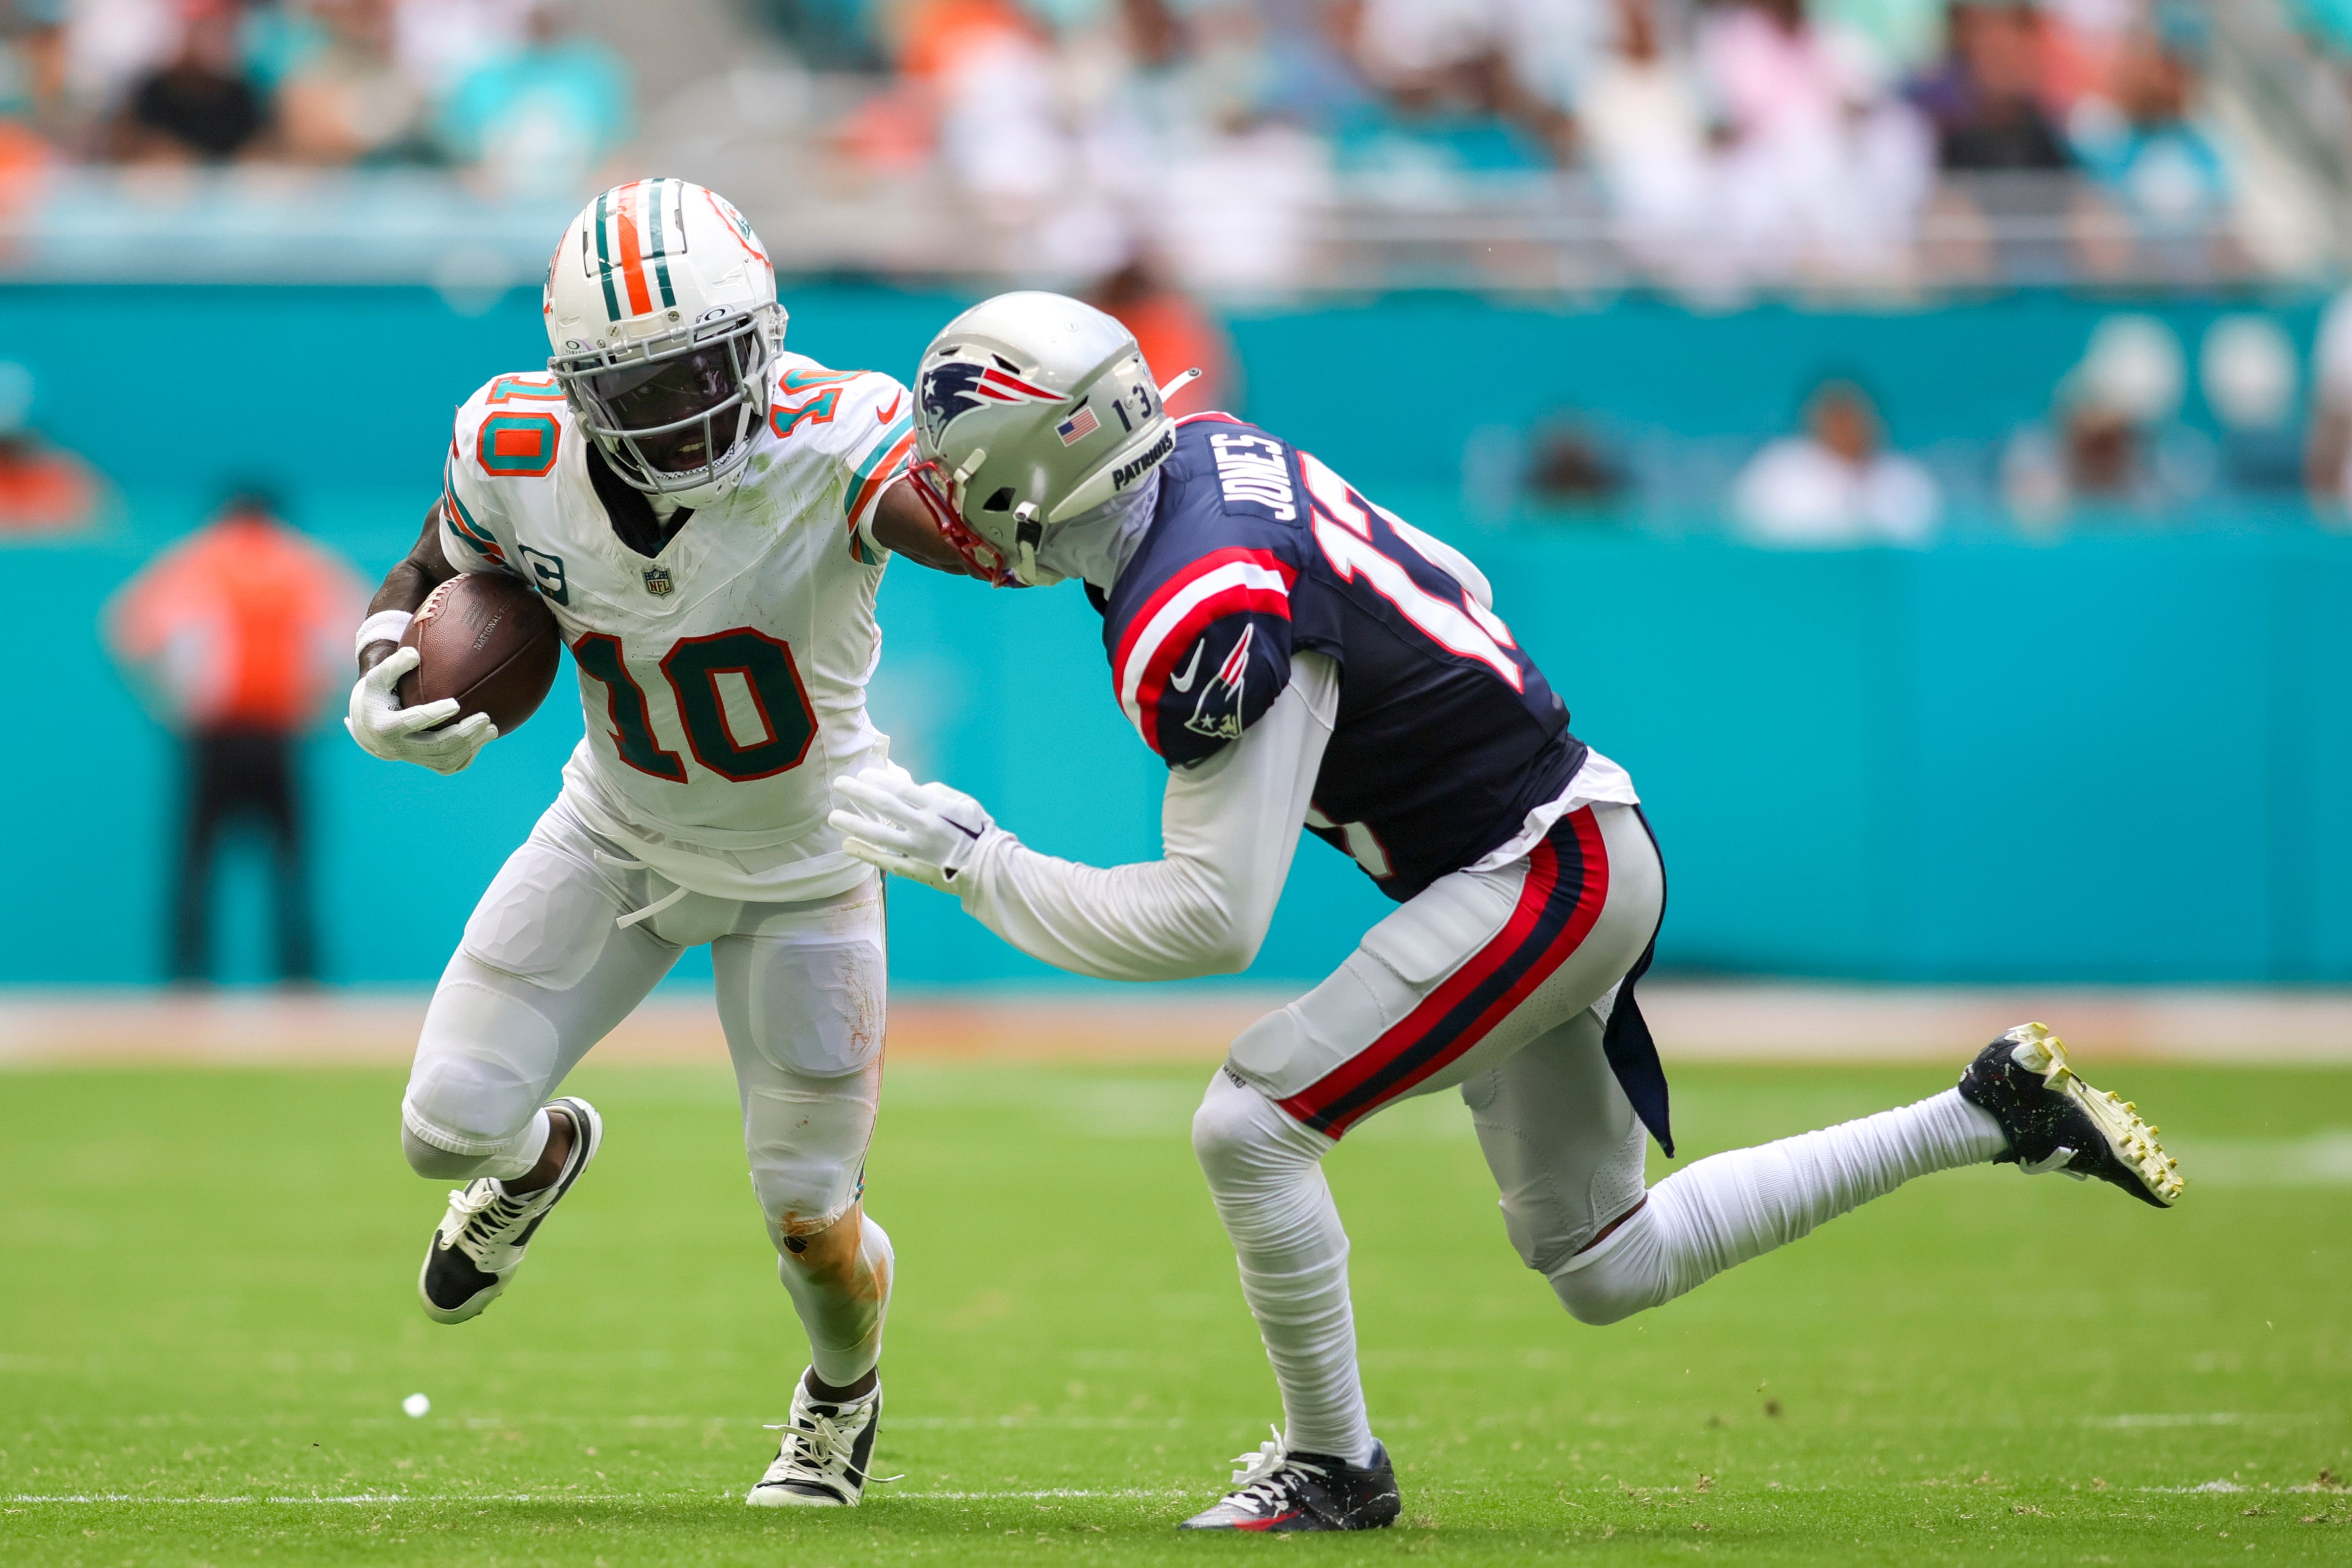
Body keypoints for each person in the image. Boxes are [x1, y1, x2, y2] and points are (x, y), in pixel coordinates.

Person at [829, 292, 2182, 1532]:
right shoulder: (1205, 458)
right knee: (1603, 1263)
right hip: (1550, 839)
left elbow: (1210, 921)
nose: (942, 493)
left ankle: (1333, 1464)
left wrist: (977, 866)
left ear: (1039, 462)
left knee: (1249, 1125)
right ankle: (1985, 1111)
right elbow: (1458, 582)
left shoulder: (1204, 606)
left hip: (1541, 870)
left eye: (959, 462)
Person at [344, 180, 975, 1509]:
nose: (690, 405)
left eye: (712, 363)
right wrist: (379, 663)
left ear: (767, 339)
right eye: (647, 385)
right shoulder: (511, 445)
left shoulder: (833, 433)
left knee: (810, 1221)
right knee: (440, 1129)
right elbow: (427, 569)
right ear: (577, 390)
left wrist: (1034, 528)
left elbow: (963, 536)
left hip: (808, 866)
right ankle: (536, 1160)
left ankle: (839, 1400)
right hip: (614, 834)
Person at [104, 490, 361, 985]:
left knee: (197, 865)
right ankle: (300, 984)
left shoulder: (200, 557)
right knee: (292, 866)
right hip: (279, 737)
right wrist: (327, 707)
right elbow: (361, 630)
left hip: (214, 737)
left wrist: (166, 703)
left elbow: (125, 629)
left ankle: (188, 982)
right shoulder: (301, 560)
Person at [1731, 378, 1941, 546]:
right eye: (1837, 417)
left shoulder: (1905, 477)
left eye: (1853, 417)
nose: (1846, 428)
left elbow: (1922, 537)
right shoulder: (1777, 471)